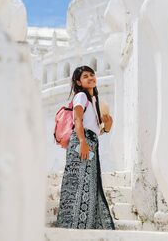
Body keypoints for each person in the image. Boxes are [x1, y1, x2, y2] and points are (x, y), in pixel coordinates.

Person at [56, 65, 115, 230]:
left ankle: (84, 224)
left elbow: (96, 130)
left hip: (91, 143)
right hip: (81, 143)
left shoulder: (94, 100)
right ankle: (72, 225)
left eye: (92, 74)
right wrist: (82, 142)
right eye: (85, 76)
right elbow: (78, 121)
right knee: (78, 182)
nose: (90, 78)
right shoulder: (81, 96)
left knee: (88, 183)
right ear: (79, 82)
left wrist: (108, 126)